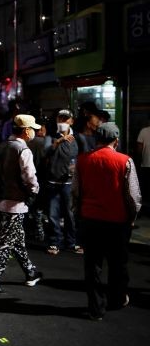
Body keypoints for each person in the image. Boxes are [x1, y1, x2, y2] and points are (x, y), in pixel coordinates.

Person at [74, 122, 142, 321]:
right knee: (117, 263)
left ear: (97, 139)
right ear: (116, 140)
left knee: (92, 265)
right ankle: (116, 299)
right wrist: (132, 217)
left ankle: (96, 308)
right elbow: (134, 196)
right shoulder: (125, 161)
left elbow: (76, 191)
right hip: (117, 221)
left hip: (90, 219)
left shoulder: (83, 160)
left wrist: (79, 213)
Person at [0, 115, 43, 295]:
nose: (34, 132)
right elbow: (30, 178)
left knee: (17, 239)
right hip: (16, 202)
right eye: (33, 129)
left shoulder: (3, 145)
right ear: (26, 130)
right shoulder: (23, 150)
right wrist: (34, 191)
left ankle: (30, 272)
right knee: (6, 242)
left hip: (0, 199)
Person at [45, 110, 79, 255]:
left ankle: (71, 242)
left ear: (71, 121)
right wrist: (58, 142)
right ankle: (54, 243)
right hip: (53, 181)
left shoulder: (77, 138)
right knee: (53, 215)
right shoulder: (51, 137)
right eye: (60, 119)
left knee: (70, 215)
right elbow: (45, 152)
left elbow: (82, 157)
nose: (62, 122)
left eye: (65, 119)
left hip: (69, 182)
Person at [136, 119, 150, 217]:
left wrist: (138, 161)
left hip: (146, 165)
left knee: (145, 190)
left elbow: (139, 149)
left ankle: (145, 211)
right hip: (146, 165)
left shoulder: (144, 131)